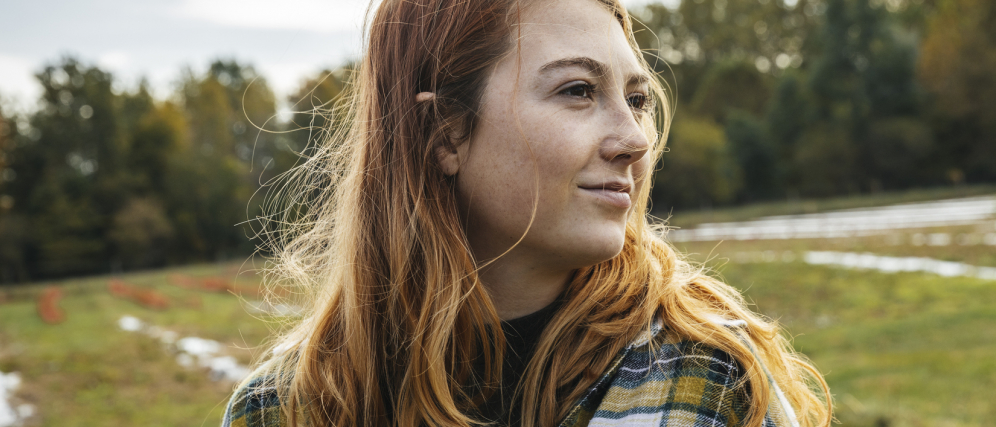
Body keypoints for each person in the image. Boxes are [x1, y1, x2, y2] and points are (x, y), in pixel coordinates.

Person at [222, 0, 831, 425]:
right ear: (445, 134)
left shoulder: (706, 378)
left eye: (638, 98)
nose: (635, 138)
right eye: (578, 91)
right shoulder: (290, 409)